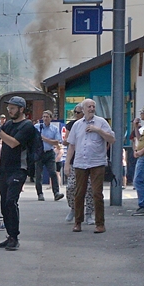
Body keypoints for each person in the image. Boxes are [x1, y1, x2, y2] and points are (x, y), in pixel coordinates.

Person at [0, 96, 39, 251]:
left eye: (12, 108)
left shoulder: (27, 126)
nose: (9, 110)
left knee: (11, 201)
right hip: (4, 169)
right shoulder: (9, 124)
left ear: (21, 109)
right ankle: (10, 236)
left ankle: (15, 237)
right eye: (9, 108)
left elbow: (13, 143)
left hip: (18, 169)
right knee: (4, 203)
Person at [65, 98, 114, 233]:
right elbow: (72, 145)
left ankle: (100, 224)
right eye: (89, 107)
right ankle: (77, 222)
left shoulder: (101, 122)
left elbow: (112, 139)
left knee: (97, 193)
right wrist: (67, 164)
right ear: (83, 109)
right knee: (79, 193)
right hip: (80, 162)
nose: (92, 109)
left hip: (97, 162)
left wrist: (98, 130)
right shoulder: (77, 125)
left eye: (93, 106)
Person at [36, 109, 64, 201]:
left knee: (53, 172)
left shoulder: (54, 129)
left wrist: (44, 139)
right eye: (44, 117)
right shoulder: (37, 127)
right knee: (38, 174)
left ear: (51, 118)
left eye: (47, 117)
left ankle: (56, 192)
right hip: (39, 153)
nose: (45, 119)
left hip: (49, 153)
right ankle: (40, 193)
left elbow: (57, 142)